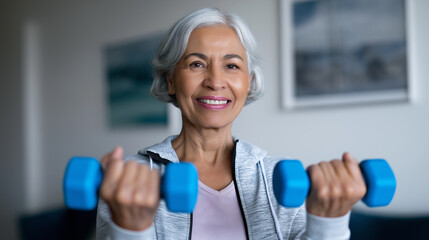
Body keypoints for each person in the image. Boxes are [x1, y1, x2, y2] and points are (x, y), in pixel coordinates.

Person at [96, 8, 366, 240]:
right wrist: (130, 230)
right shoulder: (127, 180)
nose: (215, 81)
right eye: (196, 64)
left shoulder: (281, 178)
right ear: (170, 81)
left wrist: (328, 224)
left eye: (232, 66)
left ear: (248, 83)